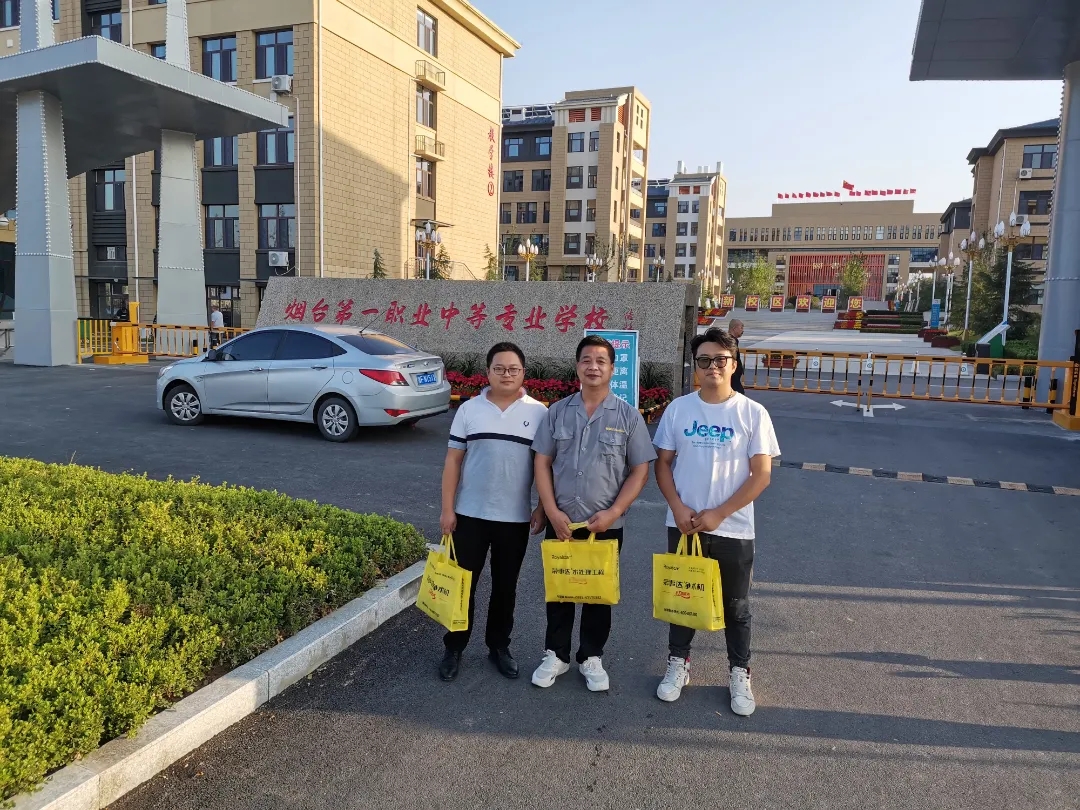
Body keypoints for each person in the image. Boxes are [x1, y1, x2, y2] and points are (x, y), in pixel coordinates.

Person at [652, 327, 780, 716]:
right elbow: (662, 464)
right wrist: (677, 507)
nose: (713, 367)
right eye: (704, 360)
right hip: (685, 525)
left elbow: (761, 475)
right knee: (682, 598)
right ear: (696, 366)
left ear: (733, 364)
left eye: (720, 360)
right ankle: (678, 663)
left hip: (733, 527)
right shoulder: (679, 409)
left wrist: (720, 513)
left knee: (736, 606)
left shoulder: (752, 413)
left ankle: (739, 672)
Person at [530, 335, 656, 692]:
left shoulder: (628, 416)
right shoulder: (557, 412)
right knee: (560, 589)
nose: (593, 366)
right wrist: (550, 510)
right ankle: (556, 654)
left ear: (613, 369)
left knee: (598, 593)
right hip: (562, 520)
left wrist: (615, 511)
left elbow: (640, 471)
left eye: (601, 361)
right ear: (577, 367)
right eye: (586, 360)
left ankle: (591, 656)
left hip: (605, 523)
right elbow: (542, 462)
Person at [438, 342, 548, 682]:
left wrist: (542, 507)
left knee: (505, 587)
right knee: (462, 586)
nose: (506, 374)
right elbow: (453, 462)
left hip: (514, 519)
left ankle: (499, 646)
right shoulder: (469, 410)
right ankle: (454, 647)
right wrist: (447, 509)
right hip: (469, 515)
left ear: (523, 373)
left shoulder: (539, 413)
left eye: (513, 369)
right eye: (499, 368)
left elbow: (545, 467)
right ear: (488, 372)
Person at [728, 318, 745, 394]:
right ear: (734, 328)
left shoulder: (732, 340)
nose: (742, 330)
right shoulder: (730, 341)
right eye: (741, 328)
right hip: (732, 376)